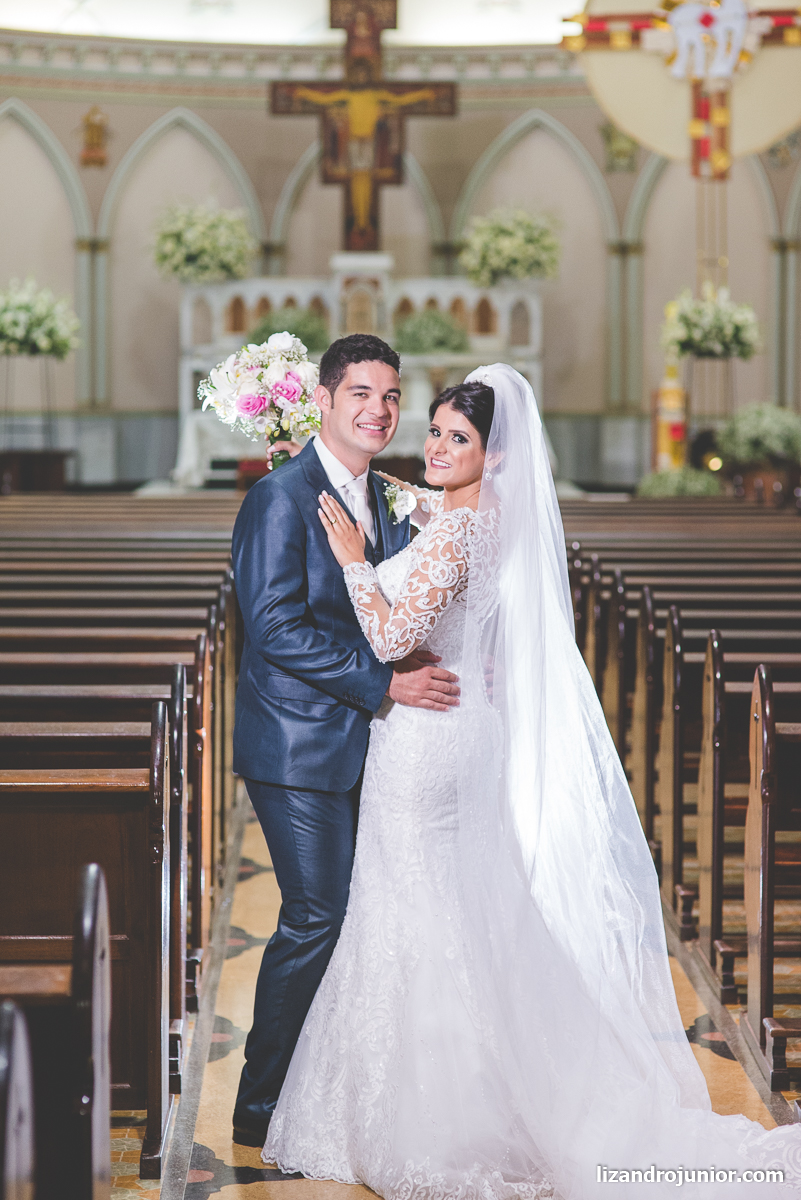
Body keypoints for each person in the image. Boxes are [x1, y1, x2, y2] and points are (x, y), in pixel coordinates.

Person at [262, 365, 801, 1198]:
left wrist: (352, 560)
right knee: (446, 904)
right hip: (461, 732)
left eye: (457, 438)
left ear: (495, 452)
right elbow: (425, 502)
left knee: (409, 906)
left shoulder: (452, 534)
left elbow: (389, 635)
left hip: (424, 740)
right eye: (433, 431)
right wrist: (352, 468)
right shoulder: (488, 517)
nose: (437, 448)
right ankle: (476, 1088)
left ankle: (431, 1112)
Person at [230, 333, 460, 1147]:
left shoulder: (385, 495)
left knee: (362, 917)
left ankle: (323, 1094)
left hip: (373, 744)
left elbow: (392, 605)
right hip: (296, 745)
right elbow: (273, 627)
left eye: (392, 396)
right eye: (361, 392)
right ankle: (258, 1107)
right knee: (315, 916)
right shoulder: (279, 497)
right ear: (323, 399)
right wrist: (385, 683)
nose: (379, 409)